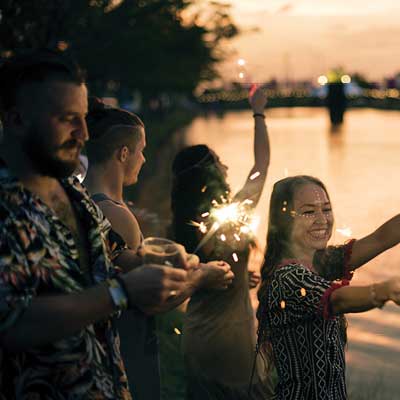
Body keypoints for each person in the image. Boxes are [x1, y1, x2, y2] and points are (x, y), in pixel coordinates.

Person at [0, 49, 221, 399]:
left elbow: (113, 254)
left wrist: (157, 261)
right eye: (67, 118)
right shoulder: (6, 205)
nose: (83, 133)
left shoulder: (71, 190)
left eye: (84, 117)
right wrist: (121, 293)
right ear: (15, 120)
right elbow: (12, 320)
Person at [256, 175, 400, 399]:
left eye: (326, 209)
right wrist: (381, 292)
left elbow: (379, 239)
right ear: (284, 221)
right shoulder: (287, 278)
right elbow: (336, 299)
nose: (322, 220)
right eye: (309, 212)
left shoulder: (321, 262)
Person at [84, 99, 234, 399]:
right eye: (141, 150)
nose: (144, 159)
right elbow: (151, 298)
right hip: (128, 350)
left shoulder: (89, 201)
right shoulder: (116, 214)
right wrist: (203, 275)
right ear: (123, 153)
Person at [170, 86, 273, 399]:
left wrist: (243, 276)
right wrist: (258, 111)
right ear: (211, 172)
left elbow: (205, 277)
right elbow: (261, 166)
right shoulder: (231, 217)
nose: (227, 168)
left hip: (197, 335)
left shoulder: (181, 225)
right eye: (219, 162)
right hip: (232, 340)